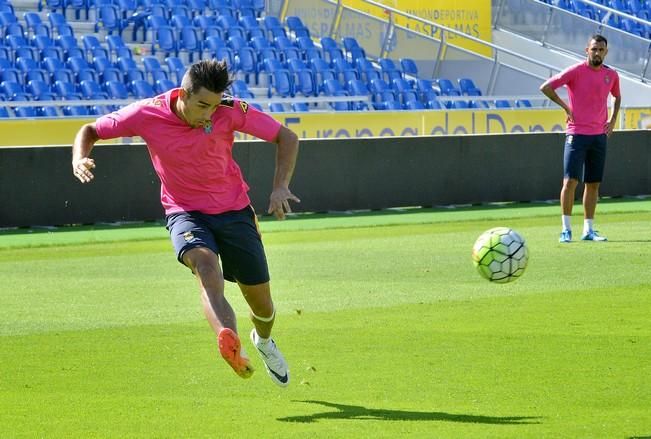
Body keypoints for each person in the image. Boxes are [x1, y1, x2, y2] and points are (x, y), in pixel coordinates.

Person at [71, 59, 300, 387]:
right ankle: (228, 339)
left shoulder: (229, 110)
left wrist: (280, 186)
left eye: (215, 105)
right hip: (185, 212)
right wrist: (80, 157)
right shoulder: (146, 114)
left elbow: (286, 137)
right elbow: (90, 130)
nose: (209, 114)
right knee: (206, 268)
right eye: (203, 105)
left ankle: (263, 341)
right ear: (182, 95)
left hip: (235, 211)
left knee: (262, 305)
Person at [540, 34, 621, 243]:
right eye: (594, 49)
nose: (597, 53)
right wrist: (566, 106)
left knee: (593, 184)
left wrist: (612, 121)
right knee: (570, 181)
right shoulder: (575, 71)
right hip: (576, 134)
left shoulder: (611, 75)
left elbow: (617, 97)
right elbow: (546, 87)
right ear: (587, 50)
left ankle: (588, 230)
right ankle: (566, 230)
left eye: (601, 49)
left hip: (598, 137)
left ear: (606, 52)